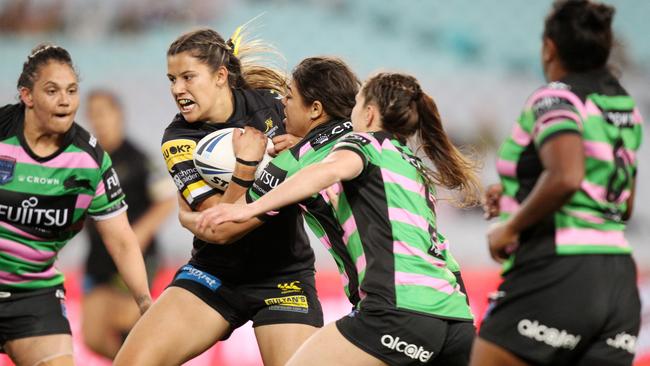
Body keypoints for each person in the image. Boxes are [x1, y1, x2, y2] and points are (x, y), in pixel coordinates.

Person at [197, 72, 482, 366]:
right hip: (455, 318)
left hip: (398, 310)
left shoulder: (362, 143)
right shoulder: (411, 164)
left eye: (357, 104)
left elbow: (328, 170)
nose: (351, 112)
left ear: (369, 114)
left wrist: (245, 208)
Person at [114, 27, 323, 366]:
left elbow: (320, 153)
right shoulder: (178, 138)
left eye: (187, 77)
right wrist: (246, 166)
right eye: (171, 79)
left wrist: (302, 148)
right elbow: (222, 228)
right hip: (214, 275)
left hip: (284, 277)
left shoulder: (270, 103)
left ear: (220, 76)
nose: (177, 89)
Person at [472, 1, 643, 365]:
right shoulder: (624, 107)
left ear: (549, 46)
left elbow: (566, 176)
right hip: (620, 283)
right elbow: (621, 202)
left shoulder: (555, 97)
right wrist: (517, 190)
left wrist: (510, 227)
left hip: (559, 271)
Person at [0, 44, 151, 366]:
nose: (65, 100)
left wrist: (145, 303)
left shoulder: (89, 159)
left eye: (71, 90)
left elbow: (121, 240)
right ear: (26, 95)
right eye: (52, 90)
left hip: (34, 295)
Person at [178, 56, 364, 306]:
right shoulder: (369, 136)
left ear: (316, 109)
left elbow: (224, 229)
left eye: (289, 96)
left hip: (383, 300)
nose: (282, 103)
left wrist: (185, 216)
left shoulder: (289, 164)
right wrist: (303, 147)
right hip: (428, 281)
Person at [80, 90, 176, 359]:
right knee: (93, 336)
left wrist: (142, 232)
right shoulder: (87, 161)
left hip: (133, 255)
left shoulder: (137, 159)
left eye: (103, 113)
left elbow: (167, 200)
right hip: (98, 258)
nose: (98, 121)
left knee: (125, 323)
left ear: (117, 115)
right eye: (92, 115)